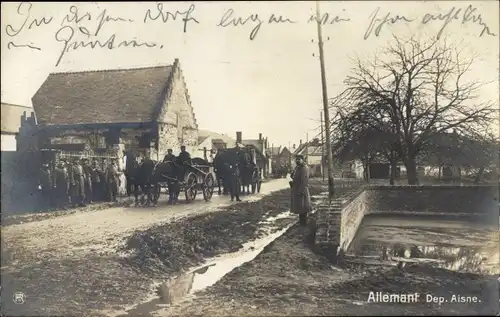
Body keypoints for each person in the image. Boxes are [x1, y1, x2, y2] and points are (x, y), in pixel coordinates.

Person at [290, 155, 311, 226]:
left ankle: (303, 224)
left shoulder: (304, 168)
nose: (297, 161)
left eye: (299, 159)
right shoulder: (298, 168)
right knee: (300, 208)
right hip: (297, 190)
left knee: (303, 208)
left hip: (302, 191)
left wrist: (300, 191)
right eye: (296, 159)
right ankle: (301, 223)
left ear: (303, 160)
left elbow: (304, 181)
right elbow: (295, 177)